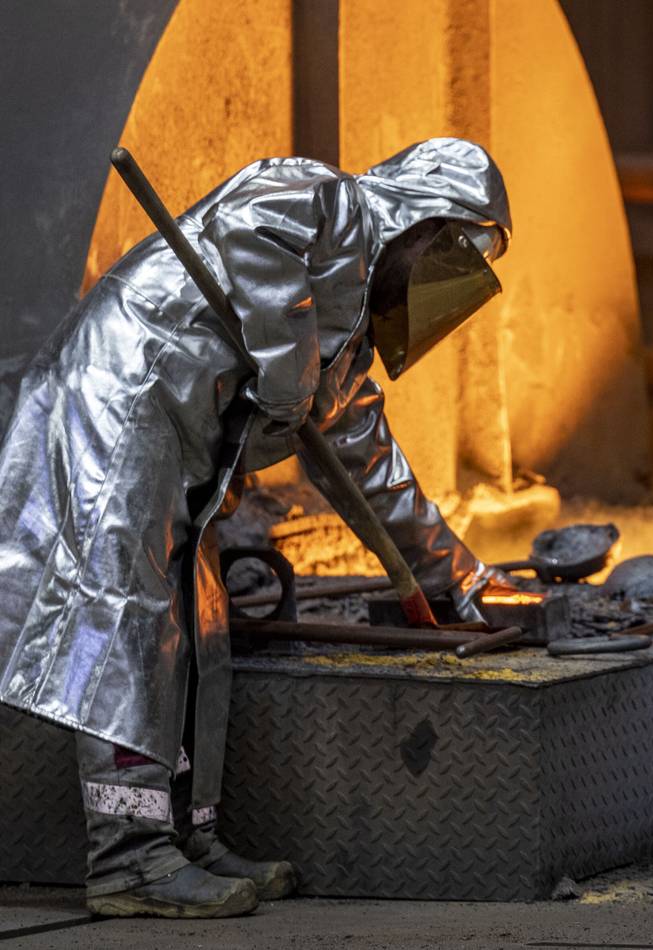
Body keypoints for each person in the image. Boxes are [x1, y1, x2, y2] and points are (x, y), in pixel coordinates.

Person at [0, 137, 513, 918]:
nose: (448, 276)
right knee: (131, 616)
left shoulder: (346, 351)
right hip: (129, 395)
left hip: (176, 435)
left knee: (198, 626)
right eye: (456, 249)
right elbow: (249, 230)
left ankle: (189, 831)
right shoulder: (325, 202)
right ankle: (129, 856)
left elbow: (375, 472)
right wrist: (287, 371)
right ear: (422, 217)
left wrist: (462, 579)